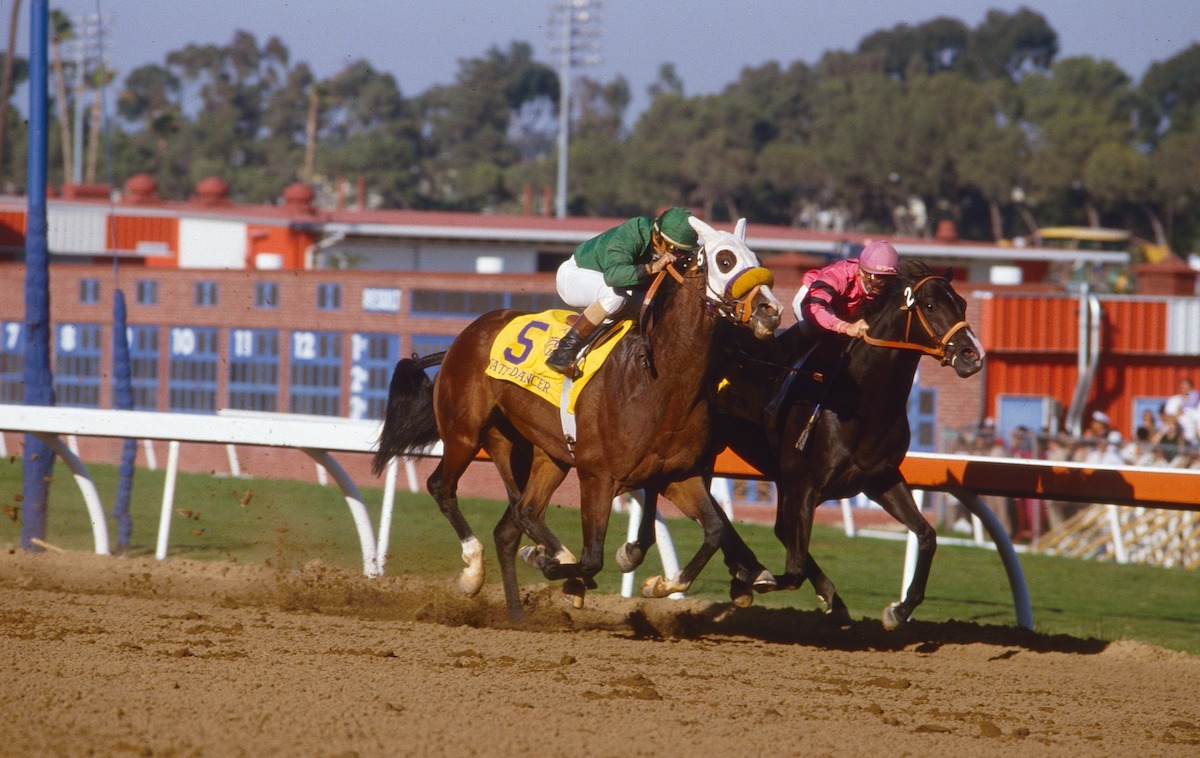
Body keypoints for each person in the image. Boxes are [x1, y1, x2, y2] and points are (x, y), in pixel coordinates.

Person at [545, 207, 701, 377]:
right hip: (575, 276)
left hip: (613, 285)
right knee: (615, 297)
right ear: (658, 236)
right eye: (674, 248)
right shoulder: (632, 233)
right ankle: (563, 352)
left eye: (684, 252)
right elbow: (613, 277)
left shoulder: (663, 246)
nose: (678, 255)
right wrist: (651, 268)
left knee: (654, 307)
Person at [792, 240, 900, 339]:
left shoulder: (890, 286)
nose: (882, 284)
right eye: (875, 278)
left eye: (888, 279)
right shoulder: (838, 275)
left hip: (845, 311)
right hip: (811, 300)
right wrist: (846, 327)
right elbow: (812, 308)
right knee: (822, 332)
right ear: (862, 272)